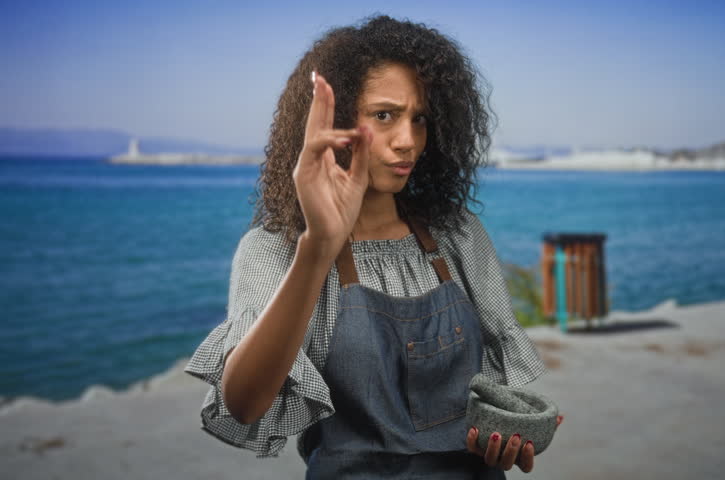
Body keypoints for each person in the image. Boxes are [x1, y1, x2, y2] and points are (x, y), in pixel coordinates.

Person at [184, 14, 562, 478]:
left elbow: (484, 393)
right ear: (336, 121)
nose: (408, 141)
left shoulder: (457, 234)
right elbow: (243, 404)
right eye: (384, 115)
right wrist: (318, 247)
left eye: (419, 119)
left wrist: (502, 438)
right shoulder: (273, 250)